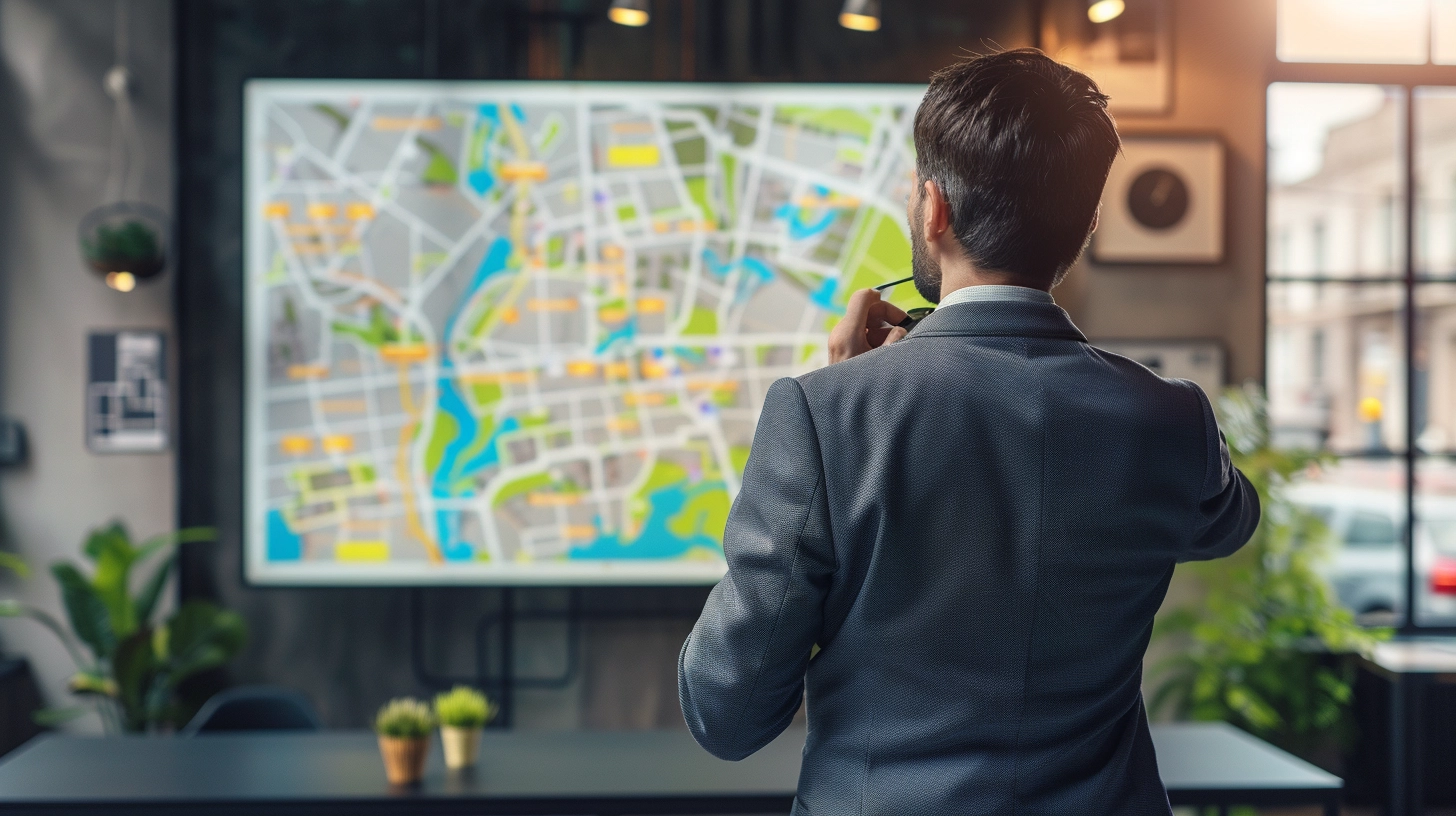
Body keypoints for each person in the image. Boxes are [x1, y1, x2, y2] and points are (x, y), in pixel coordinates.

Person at [677, 48, 1259, 815]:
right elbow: (1228, 521)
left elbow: (727, 711)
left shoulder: (823, 416)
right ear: (1083, 229)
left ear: (933, 210)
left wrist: (846, 393)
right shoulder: (1170, 417)